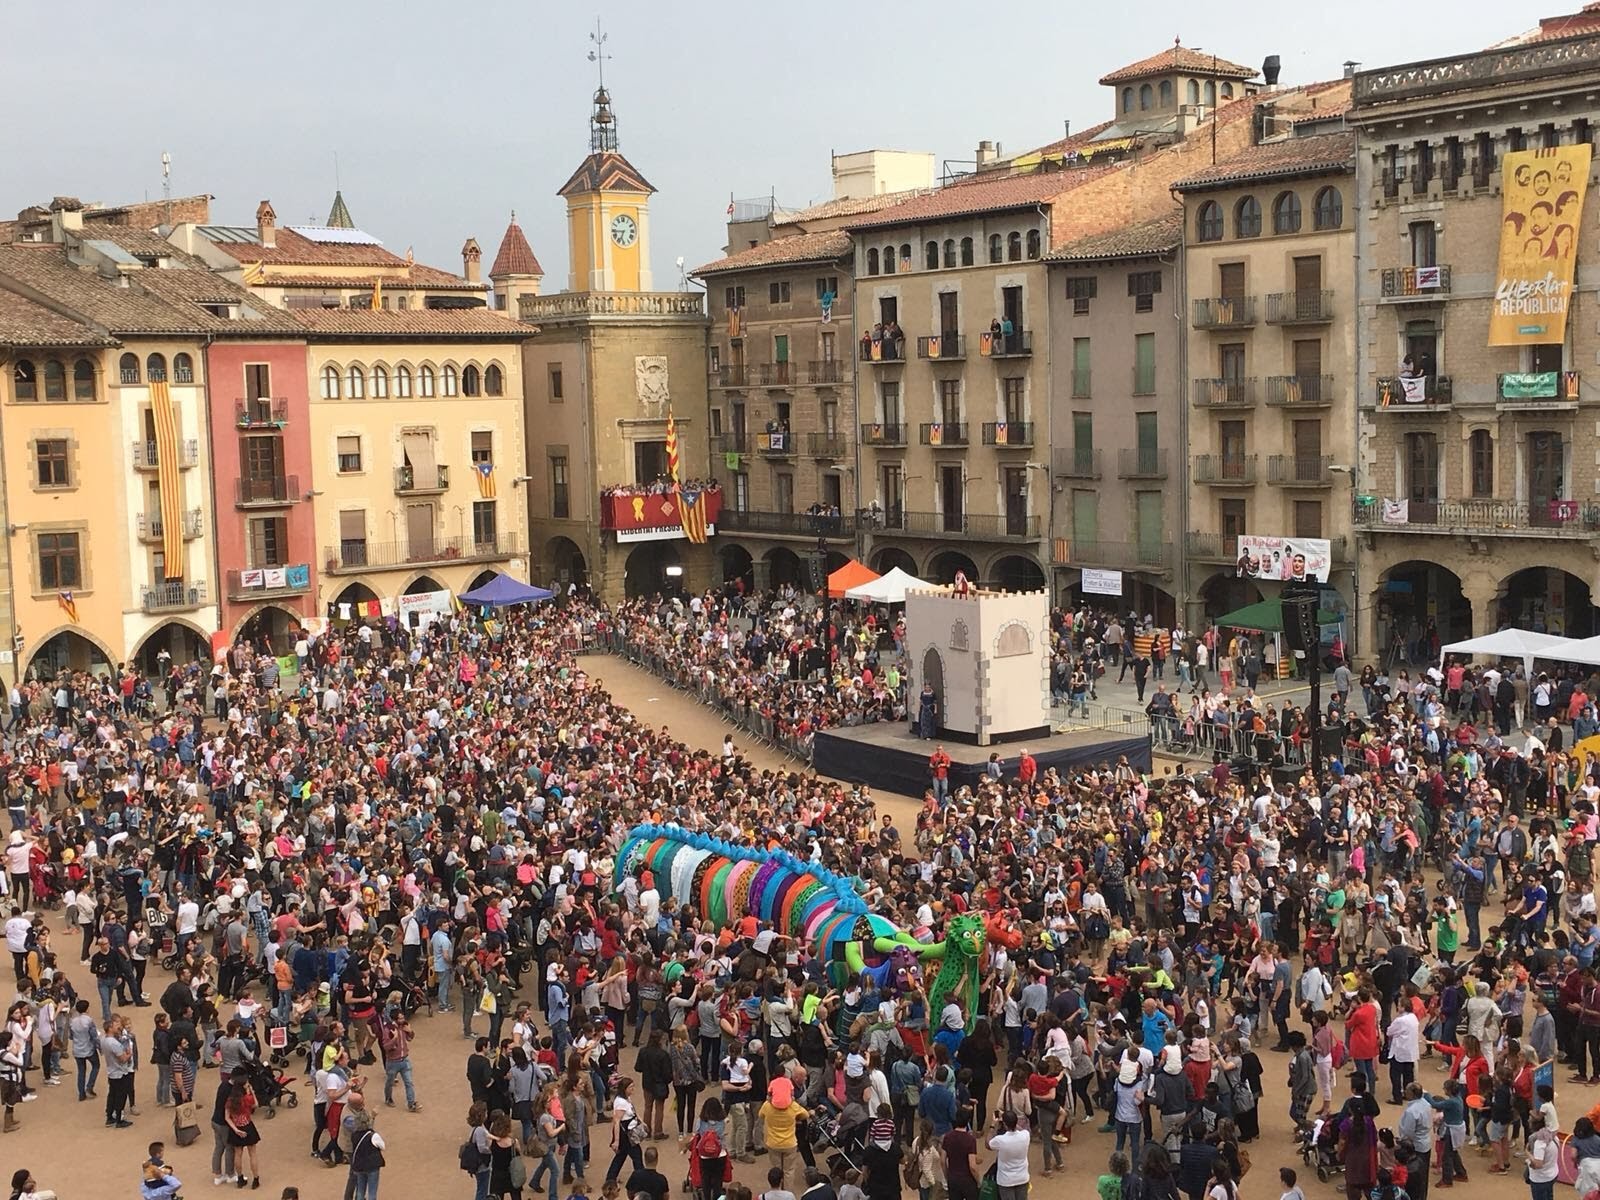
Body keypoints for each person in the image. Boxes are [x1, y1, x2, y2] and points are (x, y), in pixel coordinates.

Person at [987, 1110, 1030, 1200]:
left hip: (1006, 1180)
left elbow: (988, 1144)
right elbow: (1022, 1130)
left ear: (1005, 1125)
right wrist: (1013, 1123)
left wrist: (992, 1125)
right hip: (1022, 1177)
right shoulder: (1025, 1136)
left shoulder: (1000, 1140)